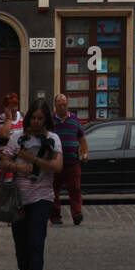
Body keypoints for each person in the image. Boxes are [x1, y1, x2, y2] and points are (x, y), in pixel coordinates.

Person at [0, 98, 63, 270]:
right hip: (19, 198)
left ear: (46, 119)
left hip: (42, 197)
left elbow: (57, 167)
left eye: (40, 118)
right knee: (21, 243)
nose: (36, 122)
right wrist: (19, 168)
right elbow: (3, 162)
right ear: (29, 118)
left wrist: (33, 160)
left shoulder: (53, 139)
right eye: (34, 118)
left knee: (37, 240)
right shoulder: (17, 138)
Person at [50, 94, 89, 226]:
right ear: (55, 105)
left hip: (72, 162)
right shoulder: (50, 120)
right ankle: (55, 216)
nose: (62, 107)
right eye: (60, 105)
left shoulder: (74, 119)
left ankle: (77, 213)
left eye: (64, 104)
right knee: (54, 191)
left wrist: (85, 152)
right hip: (55, 163)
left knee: (75, 189)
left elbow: (82, 138)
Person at [0, 92, 23, 164]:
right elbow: (4, 134)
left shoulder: (23, 117)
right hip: (2, 158)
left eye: (15, 105)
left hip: (19, 158)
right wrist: (9, 119)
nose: (13, 109)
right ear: (5, 108)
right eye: (10, 106)